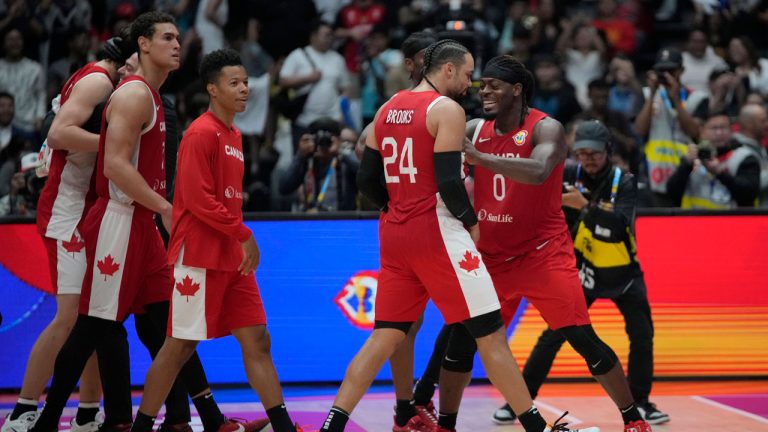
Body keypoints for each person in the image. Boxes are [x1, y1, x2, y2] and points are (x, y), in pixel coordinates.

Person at [319, 40, 596, 432]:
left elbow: (367, 178)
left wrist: (393, 206)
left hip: (394, 233)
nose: (470, 85)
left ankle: (333, 423)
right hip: (437, 230)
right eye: (468, 74)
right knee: (491, 334)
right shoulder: (444, 108)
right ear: (448, 70)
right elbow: (450, 181)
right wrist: (470, 222)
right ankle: (537, 427)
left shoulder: (386, 108)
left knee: (384, 336)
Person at [428, 55, 652, 432]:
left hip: (542, 255)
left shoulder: (546, 129)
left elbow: (539, 171)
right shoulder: (472, 127)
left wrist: (481, 158)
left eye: (494, 85)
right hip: (491, 258)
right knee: (461, 342)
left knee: (580, 336)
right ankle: (444, 424)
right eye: (481, 85)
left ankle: (633, 420)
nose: (484, 92)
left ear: (517, 89)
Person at [131, 48, 304, 432]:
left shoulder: (234, 134)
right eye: (235, 83)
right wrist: (243, 233)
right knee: (179, 346)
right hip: (199, 256)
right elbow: (196, 199)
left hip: (231, 258)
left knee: (258, 339)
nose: (244, 89)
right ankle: (142, 426)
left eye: (245, 82)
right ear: (213, 89)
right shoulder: (200, 133)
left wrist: (237, 238)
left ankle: (284, 427)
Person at [27, 12, 181, 432]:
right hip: (110, 214)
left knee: (162, 320)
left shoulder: (146, 93)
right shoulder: (120, 89)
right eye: (167, 37)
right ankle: (39, 413)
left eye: (178, 37)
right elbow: (105, 159)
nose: (177, 44)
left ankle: (171, 416)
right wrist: (163, 205)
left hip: (133, 215)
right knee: (86, 322)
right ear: (141, 46)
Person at [491, 120, 669, 426]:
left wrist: (584, 207)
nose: (587, 159)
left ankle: (641, 403)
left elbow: (619, 227)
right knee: (553, 337)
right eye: (583, 153)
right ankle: (519, 401)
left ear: (608, 152)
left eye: (594, 154)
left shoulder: (623, 182)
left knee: (642, 336)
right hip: (583, 272)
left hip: (624, 274)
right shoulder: (568, 173)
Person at [2, 36, 129, 432]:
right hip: (66, 211)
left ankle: (88, 411)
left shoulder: (112, 85)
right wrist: (116, 145)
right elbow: (57, 136)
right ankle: (24, 409)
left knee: (94, 318)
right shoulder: (99, 83)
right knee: (70, 316)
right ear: (129, 60)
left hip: (92, 211)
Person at [634, 47, 703, 207]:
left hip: (686, 170)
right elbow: (640, 130)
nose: (666, 75)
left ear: (682, 70)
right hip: (655, 170)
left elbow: (695, 132)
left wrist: (676, 100)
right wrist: (652, 94)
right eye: (661, 71)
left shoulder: (697, 97)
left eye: (671, 70)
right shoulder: (645, 94)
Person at [666, 111, 762, 209]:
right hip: (695, 221)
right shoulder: (691, 157)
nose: (719, 133)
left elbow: (749, 195)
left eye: (723, 128)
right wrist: (686, 165)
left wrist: (720, 173)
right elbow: (672, 194)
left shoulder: (744, 157)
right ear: (702, 131)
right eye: (714, 128)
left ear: (731, 131)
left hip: (731, 222)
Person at [279, 20, 350, 149]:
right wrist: (308, 78)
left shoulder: (337, 59)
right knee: (302, 161)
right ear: (313, 36)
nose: (329, 39)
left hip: (332, 119)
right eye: (326, 35)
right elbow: (283, 81)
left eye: (331, 35)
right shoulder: (298, 55)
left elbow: (344, 88)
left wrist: (342, 108)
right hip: (304, 120)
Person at [278, 117, 359, 211]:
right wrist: (300, 155)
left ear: (337, 140)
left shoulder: (345, 162)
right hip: (310, 220)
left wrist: (341, 151)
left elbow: (366, 172)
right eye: (318, 140)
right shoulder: (306, 161)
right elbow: (283, 188)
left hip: (343, 221)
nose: (322, 144)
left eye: (327, 140)